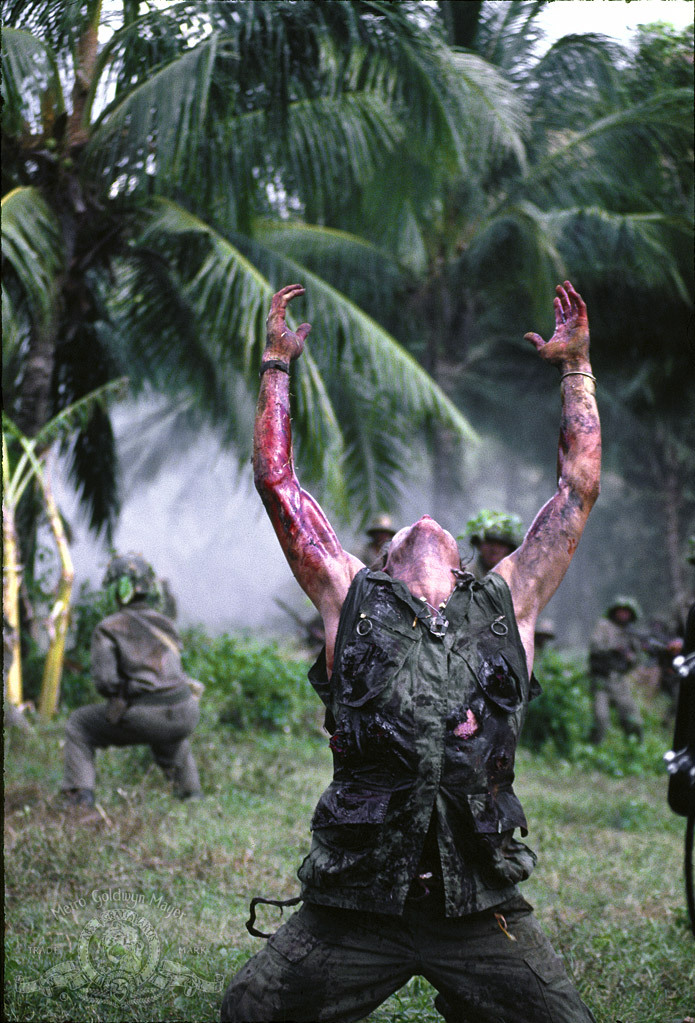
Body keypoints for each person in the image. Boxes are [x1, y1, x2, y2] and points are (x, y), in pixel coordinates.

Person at [221, 281, 600, 1022]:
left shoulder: (505, 598)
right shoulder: (349, 596)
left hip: (476, 904)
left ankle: (471, 990)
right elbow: (278, 483)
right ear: (384, 560)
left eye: (438, 524)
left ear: (458, 565)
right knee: (249, 1011)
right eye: (401, 531)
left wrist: (575, 368)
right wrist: (275, 366)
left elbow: (577, 488)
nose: (423, 520)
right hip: (359, 899)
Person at [61, 554, 202, 807]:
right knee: (169, 734)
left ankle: (79, 798)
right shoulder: (166, 623)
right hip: (186, 711)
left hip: (148, 715)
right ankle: (191, 796)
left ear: (117, 590)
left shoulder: (108, 627)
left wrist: (127, 693)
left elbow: (105, 682)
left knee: (79, 724)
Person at [588, 596, 644, 744]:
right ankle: (595, 750)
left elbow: (637, 659)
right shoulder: (604, 626)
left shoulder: (631, 634)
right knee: (601, 719)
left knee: (634, 720)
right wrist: (613, 648)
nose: (623, 614)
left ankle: (634, 751)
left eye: (626, 612)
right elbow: (595, 646)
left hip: (619, 681)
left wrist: (629, 657)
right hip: (601, 680)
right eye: (621, 611)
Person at [463, 509, 524, 580]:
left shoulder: (517, 579)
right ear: (479, 544)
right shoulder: (464, 576)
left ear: (509, 549)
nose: (494, 549)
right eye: (490, 542)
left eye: (501, 544)